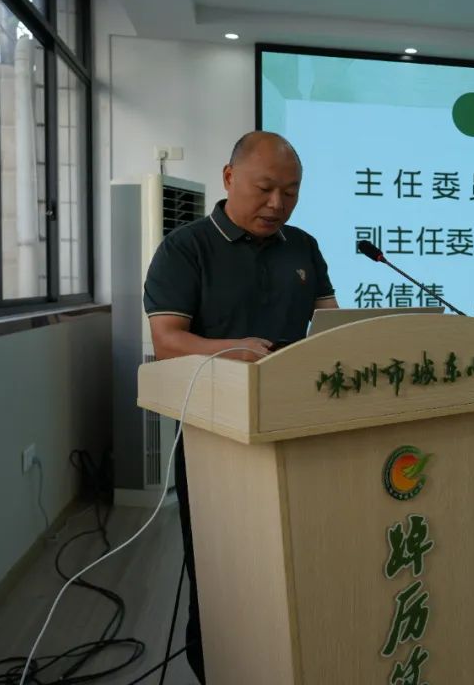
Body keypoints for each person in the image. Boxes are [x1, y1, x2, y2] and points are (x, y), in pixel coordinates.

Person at [142, 131, 338, 681]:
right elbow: (167, 340)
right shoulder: (186, 248)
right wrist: (233, 349)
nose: (278, 204)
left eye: (291, 192)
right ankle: (218, 666)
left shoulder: (303, 246)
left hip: (298, 423)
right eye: (265, 188)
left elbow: (330, 325)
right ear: (229, 179)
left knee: (296, 557)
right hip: (215, 433)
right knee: (220, 565)